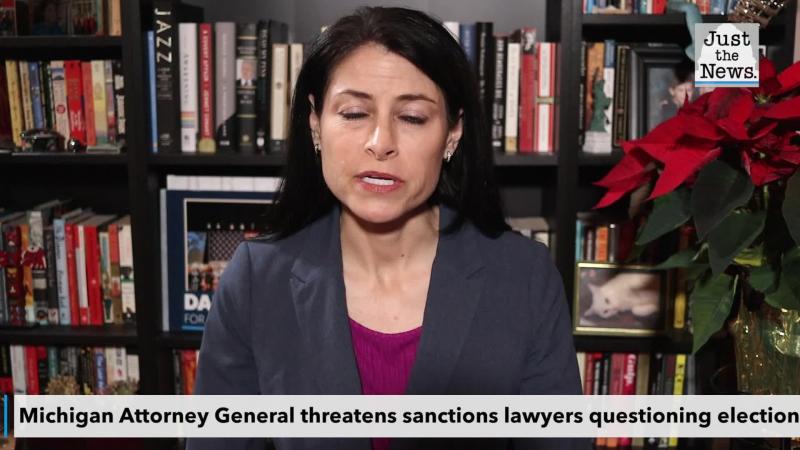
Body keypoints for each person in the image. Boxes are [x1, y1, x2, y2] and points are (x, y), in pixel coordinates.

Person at [187, 6, 586, 450]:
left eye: (412, 117)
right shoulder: (256, 279)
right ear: (315, 123)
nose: (381, 144)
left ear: (452, 133)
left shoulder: (525, 277)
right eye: (354, 113)